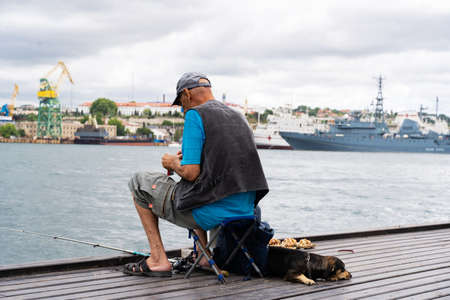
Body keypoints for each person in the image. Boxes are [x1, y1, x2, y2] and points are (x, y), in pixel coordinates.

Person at [124, 72, 268, 277]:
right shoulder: (239, 116)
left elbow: (191, 174)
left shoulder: (195, 115)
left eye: (181, 103)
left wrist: (172, 163)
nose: (182, 109)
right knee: (195, 191)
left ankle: (157, 259)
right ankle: (203, 255)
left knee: (139, 182)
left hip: (210, 213)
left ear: (186, 94)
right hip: (244, 211)